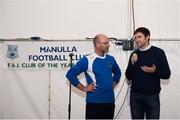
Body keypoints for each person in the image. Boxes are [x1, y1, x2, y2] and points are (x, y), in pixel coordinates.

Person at [66, 34, 121, 119]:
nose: (108, 45)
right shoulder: (87, 59)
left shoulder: (111, 59)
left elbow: (118, 72)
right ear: (97, 45)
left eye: (108, 43)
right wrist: (84, 88)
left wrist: (113, 83)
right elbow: (70, 74)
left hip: (109, 102)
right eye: (105, 43)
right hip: (94, 103)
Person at [125, 27, 171, 119]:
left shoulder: (158, 52)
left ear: (147, 37)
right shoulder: (134, 54)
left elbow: (167, 74)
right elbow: (128, 76)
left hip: (152, 96)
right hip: (136, 96)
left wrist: (154, 71)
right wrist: (132, 63)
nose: (137, 40)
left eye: (139, 37)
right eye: (135, 38)